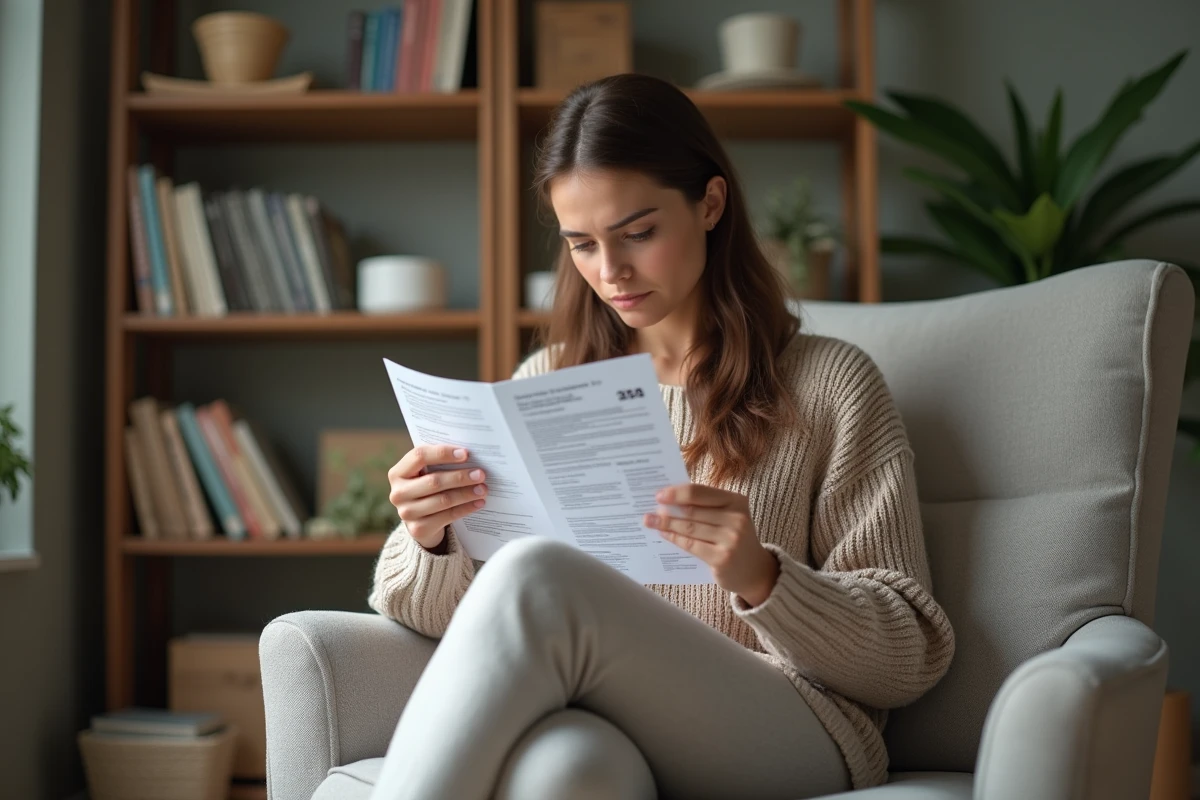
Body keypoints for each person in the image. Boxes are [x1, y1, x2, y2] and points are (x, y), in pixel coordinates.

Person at [367, 73, 955, 800]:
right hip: (608, 721)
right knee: (565, 776)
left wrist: (761, 578)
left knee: (538, 576)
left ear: (709, 204)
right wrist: (431, 537)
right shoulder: (546, 379)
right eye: (582, 244)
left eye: (637, 233)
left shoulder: (830, 384)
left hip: (796, 728)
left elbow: (911, 654)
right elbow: (438, 622)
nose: (609, 272)